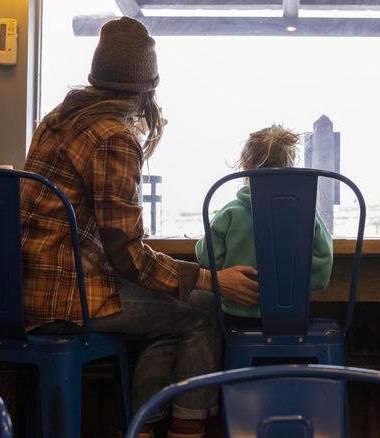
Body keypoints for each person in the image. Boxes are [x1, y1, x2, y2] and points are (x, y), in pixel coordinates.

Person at [19, 17, 259, 438]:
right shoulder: (113, 136)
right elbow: (128, 255)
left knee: (173, 310)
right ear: (147, 87)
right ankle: (186, 431)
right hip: (68, 302)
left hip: (27, 292)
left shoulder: (58, 118)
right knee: (202, 312)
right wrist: (211, 279)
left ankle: (144, 428)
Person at [195, 125, 333, 328]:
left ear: (244, 167)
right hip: (292, 318)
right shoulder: (307, 213)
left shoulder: (230, 213)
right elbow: (323, 265)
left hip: (236, 317)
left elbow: (206, 256)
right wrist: (289, 289)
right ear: (289, 170)